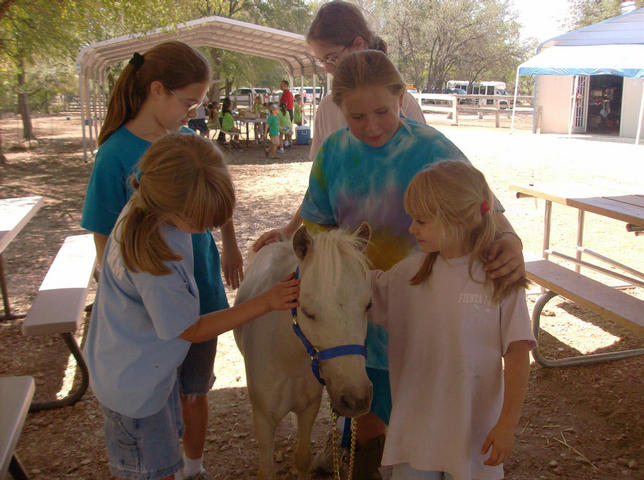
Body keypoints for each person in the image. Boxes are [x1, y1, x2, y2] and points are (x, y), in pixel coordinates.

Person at [297, 50, 526, 479]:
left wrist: (510, 241)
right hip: (360, 311)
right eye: (356, 116)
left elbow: (483, 206)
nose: (371, 126)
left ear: (401, 97)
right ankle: (367, 458)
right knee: (365, 400)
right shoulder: (333, 153)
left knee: (416, 401)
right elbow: (317, 224)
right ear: (338, 109)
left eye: (381, 111)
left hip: (424, 310)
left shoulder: (434, 148)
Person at [85, 132, 300, 480]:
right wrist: (266, 301)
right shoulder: (155, 260)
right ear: (173, 208)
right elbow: (192, 329)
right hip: (135, 392)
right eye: (203, 223)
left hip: (141, 373)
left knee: (165, 453)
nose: (209, 228)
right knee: (155, 471)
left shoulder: (147, 207)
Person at [80, 41, 244, 480]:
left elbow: (218, 202)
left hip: (199, 287)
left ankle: (192, 466)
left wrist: (228, 242)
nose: (192, 113)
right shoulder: (116, 155)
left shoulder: (188, 144)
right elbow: (100, 228)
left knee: (192, 387)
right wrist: (122, 295)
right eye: (188, 102)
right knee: (157, 395)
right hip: (152, 304)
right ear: (157, 90)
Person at [370, 160, 534, 480]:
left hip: (474, 436)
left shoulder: (499, 278)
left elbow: (518, 356)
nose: (411, 229)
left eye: (421, 221)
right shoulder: (407, 275)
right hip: (417, 434)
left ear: (456, 220)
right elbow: (355, 293)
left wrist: (507, 424)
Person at [252, 0, 426, 251]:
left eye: (331, 58)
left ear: (358, 44)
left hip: (401, 246)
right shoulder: (327, 107)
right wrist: (290, 230)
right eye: (321, 61)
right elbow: (321, 185)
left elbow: (436, 179)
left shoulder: (400, 105)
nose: (328, 69)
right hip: (344, 251)